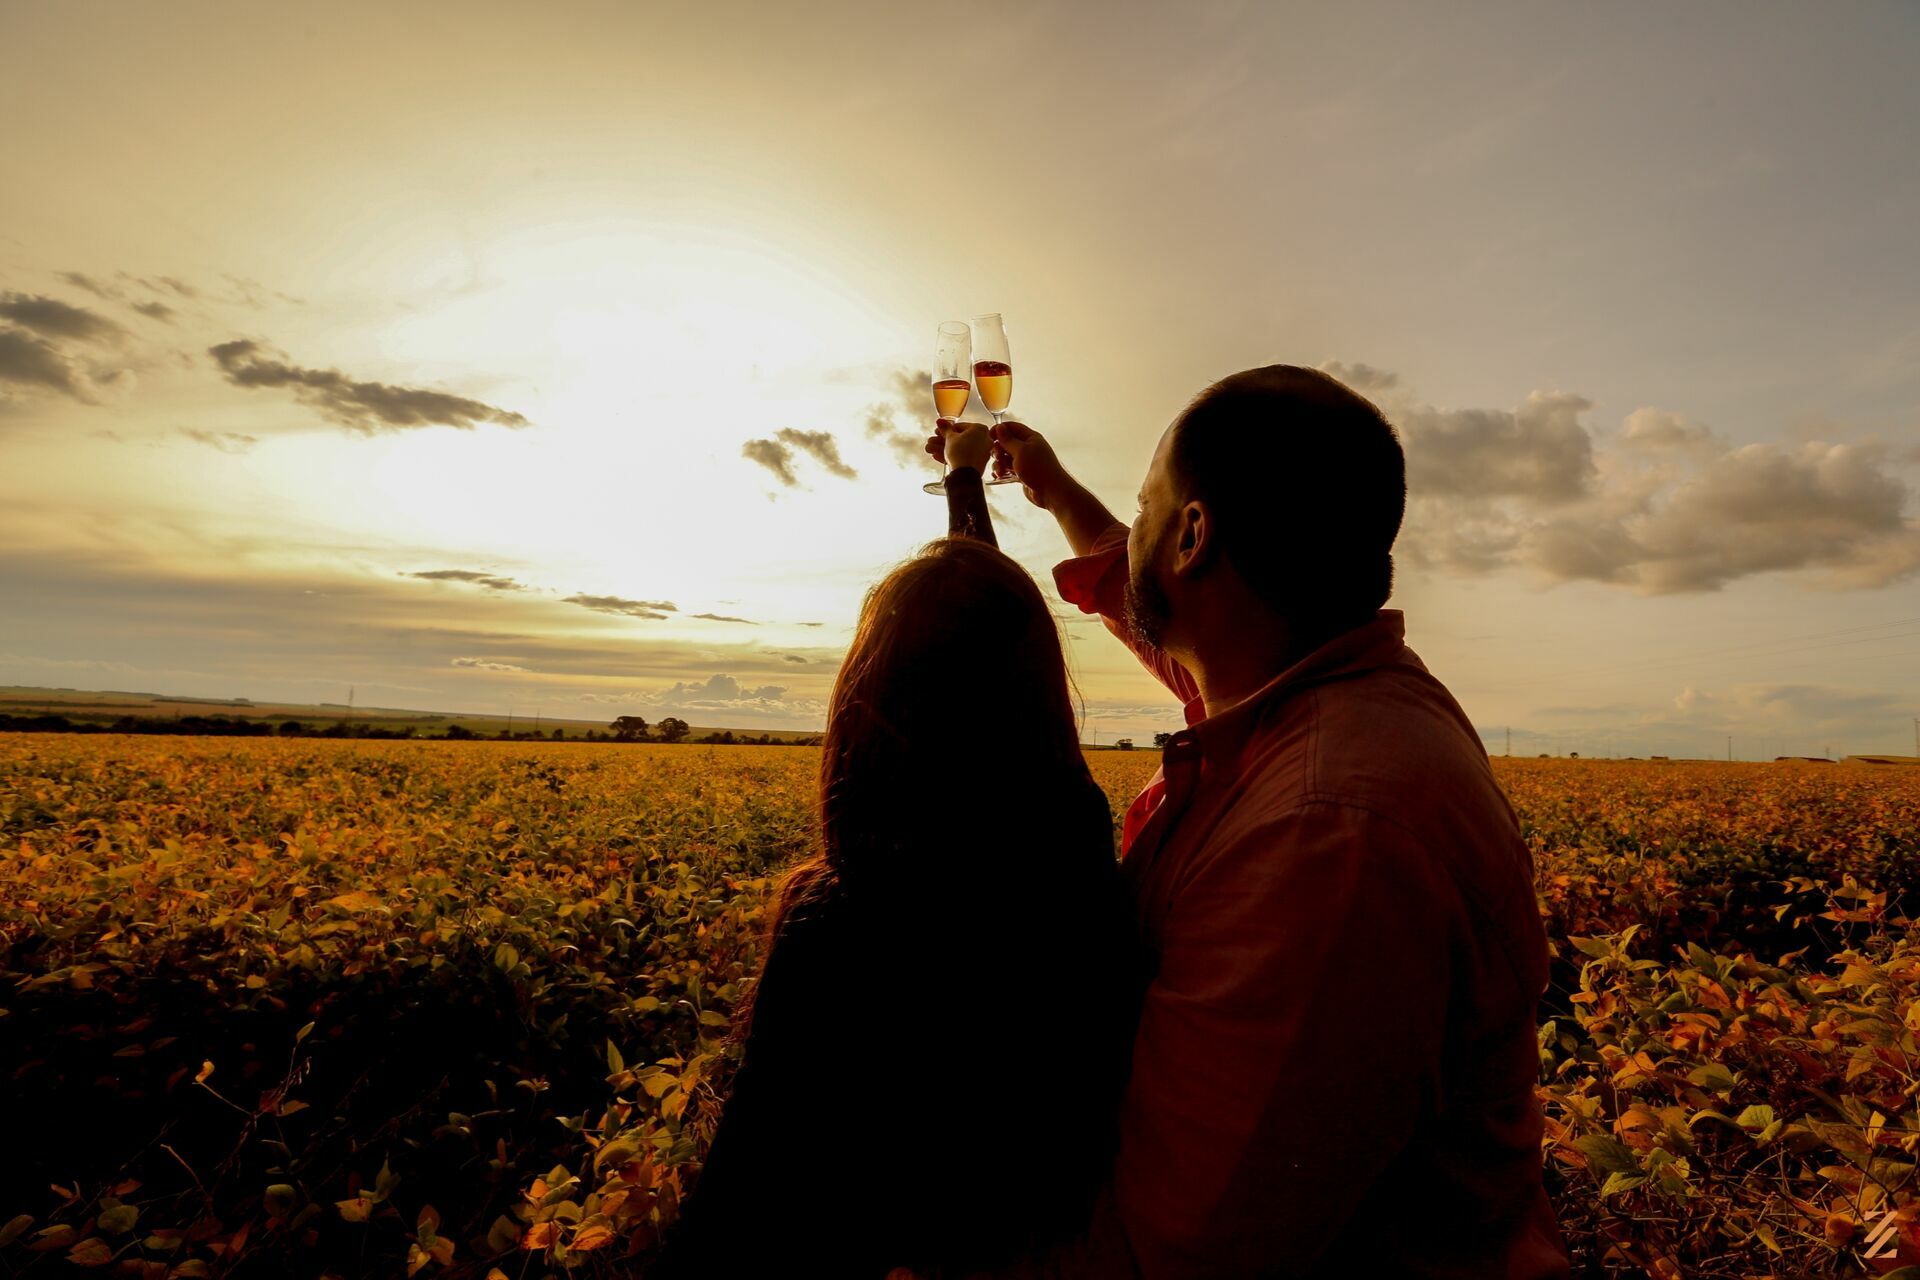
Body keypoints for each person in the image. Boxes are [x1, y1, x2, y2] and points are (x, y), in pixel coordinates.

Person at [943, 366, 1570, 1278]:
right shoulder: (1324, 695)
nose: (1138, 523)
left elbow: (1175, 1255)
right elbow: (1154, 612)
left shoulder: (1326, 836)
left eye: (1145, 502)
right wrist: (1051, 490)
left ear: (1193, 537)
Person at [651, 421, 1138, 1278]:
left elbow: (740, 1219)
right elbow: (986, 642)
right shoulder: (1072, 837)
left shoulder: (847, 922)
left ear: (864, 703)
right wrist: (964, 491)